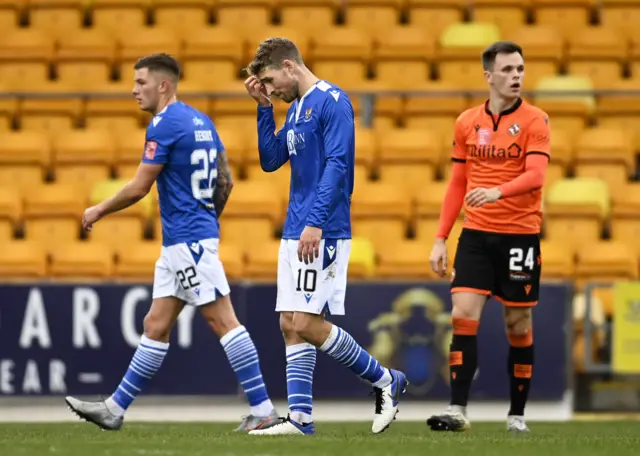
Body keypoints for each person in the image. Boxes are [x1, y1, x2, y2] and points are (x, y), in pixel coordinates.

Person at [65, 53, 280, 433]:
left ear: (163, 85)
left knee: (222, 320)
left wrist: (98, 210)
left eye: (141, 83)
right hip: (187, 240)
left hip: (187, 241)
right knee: (156, 324)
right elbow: (226, 181)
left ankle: (263, 409)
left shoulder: (163, 125)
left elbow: (140, 186)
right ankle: (114, 409)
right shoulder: (201, 120)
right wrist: (207, 219)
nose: (134, 90)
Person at [243, 37, 408, 436]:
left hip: (324, 228)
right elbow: (270, 160)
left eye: (269, 81)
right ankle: (300, 420)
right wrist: (265, 110)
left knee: (306, 322)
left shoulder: (333, 101)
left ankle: (386, 379)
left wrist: (315, 221)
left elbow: (337, 164)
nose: (271, 88)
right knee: (289, 322)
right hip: (296, 226)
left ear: (288, 65)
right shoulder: (296, 108)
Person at [426, 41, 550, 434]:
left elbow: (537, 176)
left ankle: (517, 414)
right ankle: (457, 407)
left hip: (519, 236)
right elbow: (457, 182)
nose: (516, 76)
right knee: (462, 315)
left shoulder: (535, 120)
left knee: (517, 322)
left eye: (520, 69)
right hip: (476, 233)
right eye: (509, 69)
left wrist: (498, 191)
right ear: (489, 76)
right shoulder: (466, 122)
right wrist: (441, 237)